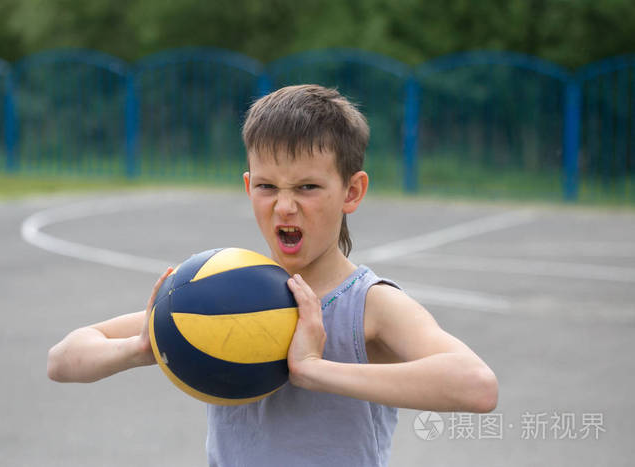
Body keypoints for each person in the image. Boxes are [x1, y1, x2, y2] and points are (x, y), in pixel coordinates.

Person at [47, 84, 498, 466]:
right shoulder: (223, 288)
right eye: (267, 187)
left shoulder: (369, 304)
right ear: (248, 188)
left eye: (307, 187)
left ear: (352, 191)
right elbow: (62, 360)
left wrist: (314, 371)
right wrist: (142, 346)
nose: (284, 205)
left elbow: (476, 386)